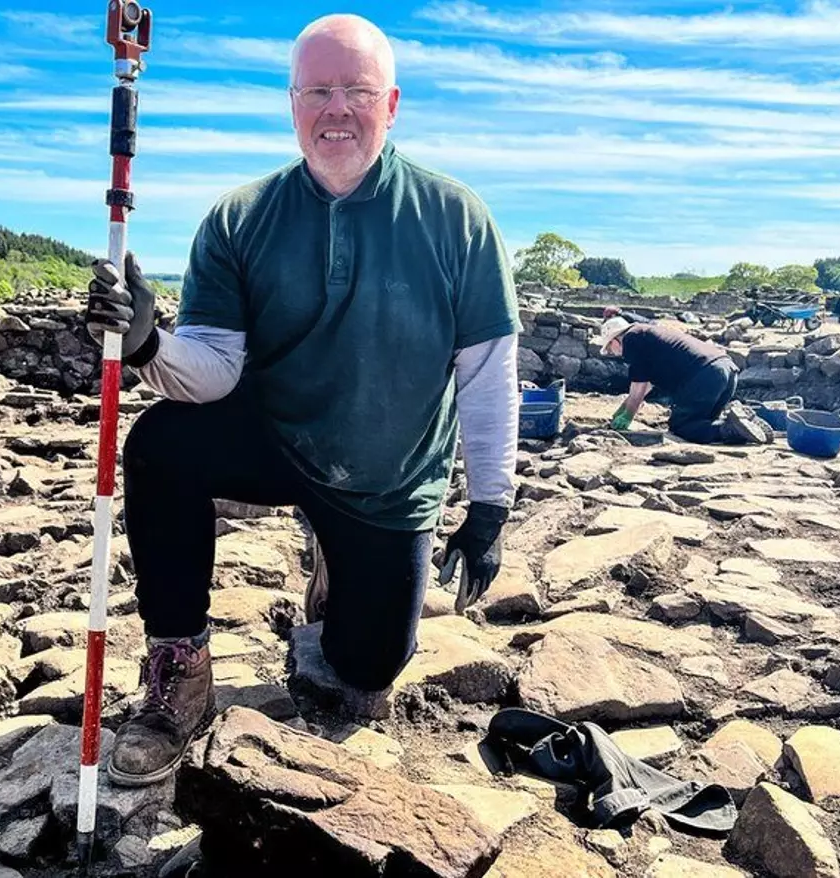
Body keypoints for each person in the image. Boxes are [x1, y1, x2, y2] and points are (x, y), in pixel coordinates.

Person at [84, 14, 520, 787]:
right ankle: (178, 667)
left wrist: (488, 509)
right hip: (275, 434)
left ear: (392, 105)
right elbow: (215, 368)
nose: (337, 109)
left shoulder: (457, 218)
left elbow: (487, 369)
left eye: (356, 90)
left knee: (361, 673)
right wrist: (151, 344)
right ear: (292, 104)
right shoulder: (239, 218)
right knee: (160, 445)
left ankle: (337, 563)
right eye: (318, 90)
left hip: (386, 477)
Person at [596, 317, 772, 445]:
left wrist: (626, 417)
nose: (613, 354)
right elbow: (645, 386)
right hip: (726, 370)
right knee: (702, 422)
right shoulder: (647, 334)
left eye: (610, 349)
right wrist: (623, 409)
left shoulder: (632, 340)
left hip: (705, 375)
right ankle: (745, 422)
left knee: (682, 426)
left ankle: (733, 430)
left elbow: (638, 391)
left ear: (616, 339)